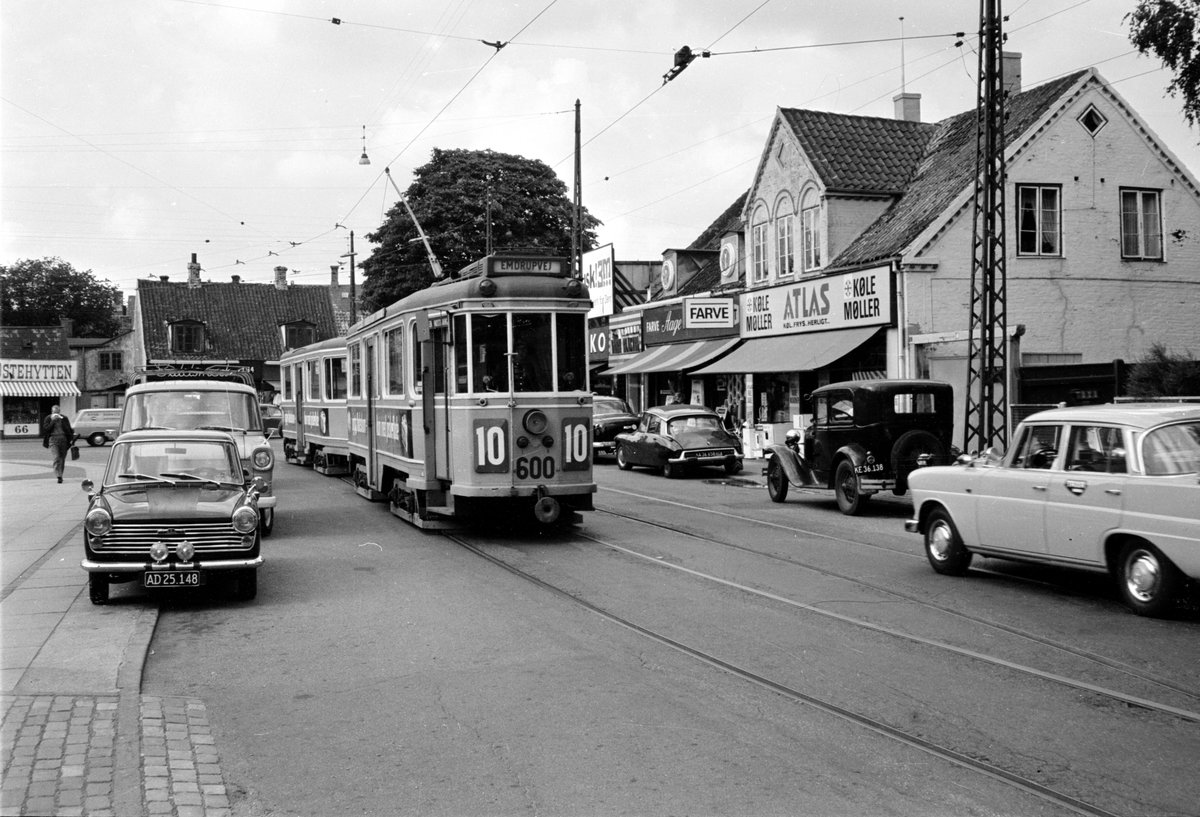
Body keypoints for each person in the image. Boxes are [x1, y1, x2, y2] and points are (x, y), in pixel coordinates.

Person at [42, 404, 75, 484]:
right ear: (52, 412)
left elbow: (69, 429)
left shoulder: (64, 418)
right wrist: (53, 421)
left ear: (60, 412)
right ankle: (58, 475)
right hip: (53, 440)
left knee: (62, 458)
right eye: (54, 412)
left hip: (63, 439)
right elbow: (46, 429)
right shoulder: (48, 418)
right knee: (56, 457)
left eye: (57, 412)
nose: (56, 414)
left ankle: (61, 475)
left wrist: (71, 439)